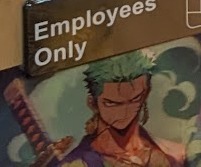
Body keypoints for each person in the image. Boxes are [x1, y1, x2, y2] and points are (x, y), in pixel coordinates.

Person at [53, 55, 183, 166]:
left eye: (135, 99)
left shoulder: (172, 153)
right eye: (112, 103)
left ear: (146, 93)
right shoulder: (78, 161)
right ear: (93, 103)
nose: (124, 113)